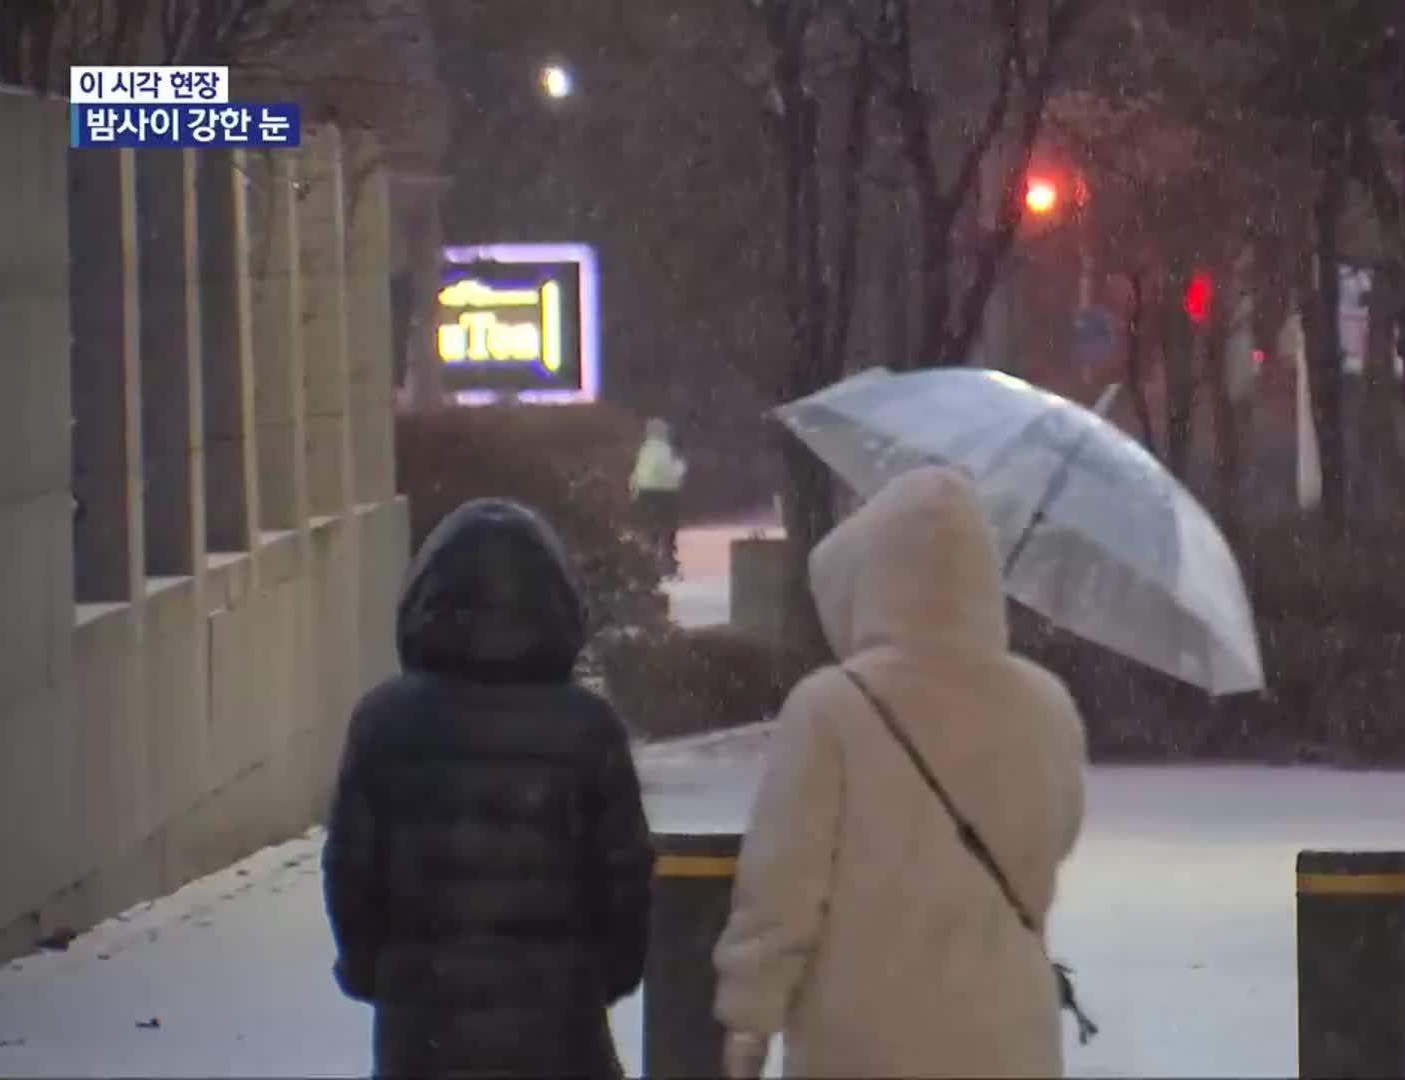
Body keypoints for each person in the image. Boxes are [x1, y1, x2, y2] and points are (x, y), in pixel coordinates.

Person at [713, 465, 1089, 1079]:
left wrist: (750, 1019)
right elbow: (1053, 840)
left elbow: (781, 890)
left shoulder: (831, 708)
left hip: (865, 1042)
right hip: (1007, 1039)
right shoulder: (1046, 704)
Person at [321, 497, 654, 1079]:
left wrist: (372, 971)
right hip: (559, 1033)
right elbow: (624, 875)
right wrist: (608, 972)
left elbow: (351, 872)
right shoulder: (587, 728)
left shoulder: (383, 722)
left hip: (424, 1035)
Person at [630, 417, 687, 575]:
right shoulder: (668, 450)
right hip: (666, 493)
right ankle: (667, 560)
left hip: (646, 493)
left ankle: (650, 558)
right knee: (667, 527)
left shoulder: (645, 450)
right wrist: (680, 473)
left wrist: (634, 490)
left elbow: (638, 472)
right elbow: (675, 471)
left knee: (650, 529)